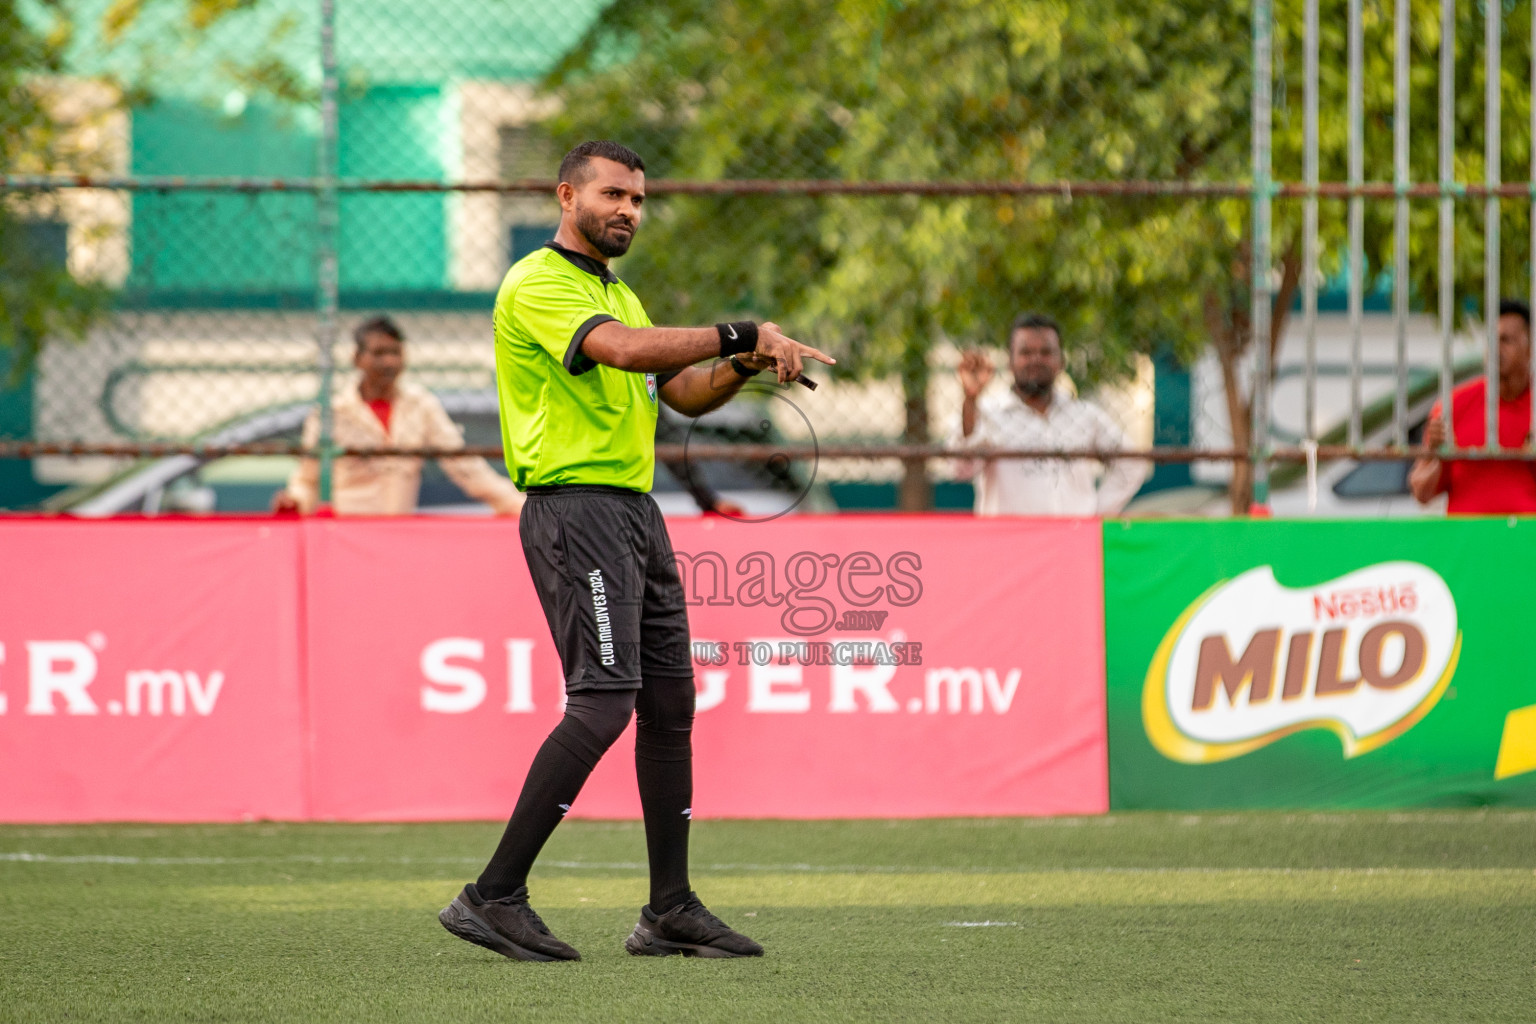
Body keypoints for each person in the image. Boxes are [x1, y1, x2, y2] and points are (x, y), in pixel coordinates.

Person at [436, 140, 834, 962]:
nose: (628, 211)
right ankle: (492, 896)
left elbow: (680, 393)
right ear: (566, 195)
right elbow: (617, 350)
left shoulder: (621, 292)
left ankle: (669, 910)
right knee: (605, 702)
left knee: (670, 705)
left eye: (639, 200)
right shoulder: (539, 281)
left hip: (632, 511)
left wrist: (740, 362)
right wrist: (737, 328)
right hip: (574, 509)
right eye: (613, 194)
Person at [274, 316, 523, 516]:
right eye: (379, 353)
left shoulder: (421, 405)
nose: (390, 362)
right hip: (347, 535)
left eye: (396, 352)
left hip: (398, 533)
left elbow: (464, 466)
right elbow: (307, 479)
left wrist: (517, 507)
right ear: (357, 359)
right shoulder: (332, 413)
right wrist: (294, 502)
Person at [950, 312, 1149, 516]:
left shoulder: (1084, 415)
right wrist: (971, 399)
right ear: (1010, 361)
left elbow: (1132, 463)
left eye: (1046, 352)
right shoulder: (990, 414)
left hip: (1071, 539)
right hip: (1009, 541)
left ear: (1061, 361)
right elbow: (962, 469)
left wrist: (1095, 514)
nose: (1036, 359)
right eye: (1025, 352)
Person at [1409, 299, 1536, 514]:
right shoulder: (1454, 405)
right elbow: (1421, 493)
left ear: (1529, 349)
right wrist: (1437, 456)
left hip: (1526, 541)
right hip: (1467, 543)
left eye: (1506, 340)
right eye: (1491, 340)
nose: (1496, 349)